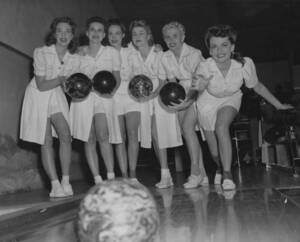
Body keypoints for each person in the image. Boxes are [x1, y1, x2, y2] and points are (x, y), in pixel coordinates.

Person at [173, 24, 292, 190]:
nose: (219, 51)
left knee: (221, 127)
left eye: (224, 45)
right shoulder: (204, 66)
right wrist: (195, 92)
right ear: (209, 49)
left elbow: (257, 87)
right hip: (207, 102)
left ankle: (228, 175)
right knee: (214, 152)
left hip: (231, 98)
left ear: (232, 47)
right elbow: (196, 89)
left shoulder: (244, 64)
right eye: (214, 46)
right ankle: (221, 167)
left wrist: (278, 105)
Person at [20, 17, 80, 197]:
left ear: (72, 35)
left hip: (56, 95)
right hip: (38, 95)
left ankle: (65, 181)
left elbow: (71, 86)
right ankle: (55, 185)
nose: (63, 35)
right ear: (54, 34)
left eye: (67, 31)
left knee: (65, 134)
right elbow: (41, 85)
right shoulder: (41, 52)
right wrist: (63, 79)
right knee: (45, 140)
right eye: (59, 31)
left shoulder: (74, 58)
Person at [128, 20, 183, 187]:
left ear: (149, 36)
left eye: (141, 33)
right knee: (154, 137)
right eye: (134, 34)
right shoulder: (132, 56)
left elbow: (162, 80)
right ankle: (165, 174)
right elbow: (133, 81)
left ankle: (166, 174)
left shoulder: (159, 53)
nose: (138, 37)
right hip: (144, 101)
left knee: (159, 134)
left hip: (160, 97)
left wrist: (152, 95)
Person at [70, 16, 121, 184]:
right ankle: (97, 179)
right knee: (89, 137)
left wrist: (111, 93)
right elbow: (72, 78)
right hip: (83, 99)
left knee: (103, 135)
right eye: (92, 30)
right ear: (87, 33)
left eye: (99, 30)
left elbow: (117, 77)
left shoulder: (111, 52)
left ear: (104, 34)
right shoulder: (79, 53)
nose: (96, 33)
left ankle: (111, 176)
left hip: (103, 98)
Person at [159, 21, 208, 189]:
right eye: (167, 37)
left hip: (199, 92)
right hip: (181, 92)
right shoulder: (165, 57)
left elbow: (198, 82)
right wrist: (176, 102)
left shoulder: (194, 53)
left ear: (183, 37)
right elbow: (172, 83)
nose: (171, 40)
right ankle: (203, 174)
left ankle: (195, 172)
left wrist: (187, 102)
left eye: (175, 36)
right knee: (188, 134)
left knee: (188, 129)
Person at [106, 19, 140, 179]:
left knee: (133, 134)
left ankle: (133, 174)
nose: (114, 37)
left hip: (131, 95)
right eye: (111, 33)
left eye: (117, 33)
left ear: (123, 35)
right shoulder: (103, 53)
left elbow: (149, 49)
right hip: (113, 97)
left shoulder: (131, 52)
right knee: (119, 138)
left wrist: (158, 47)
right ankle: (124, 175)